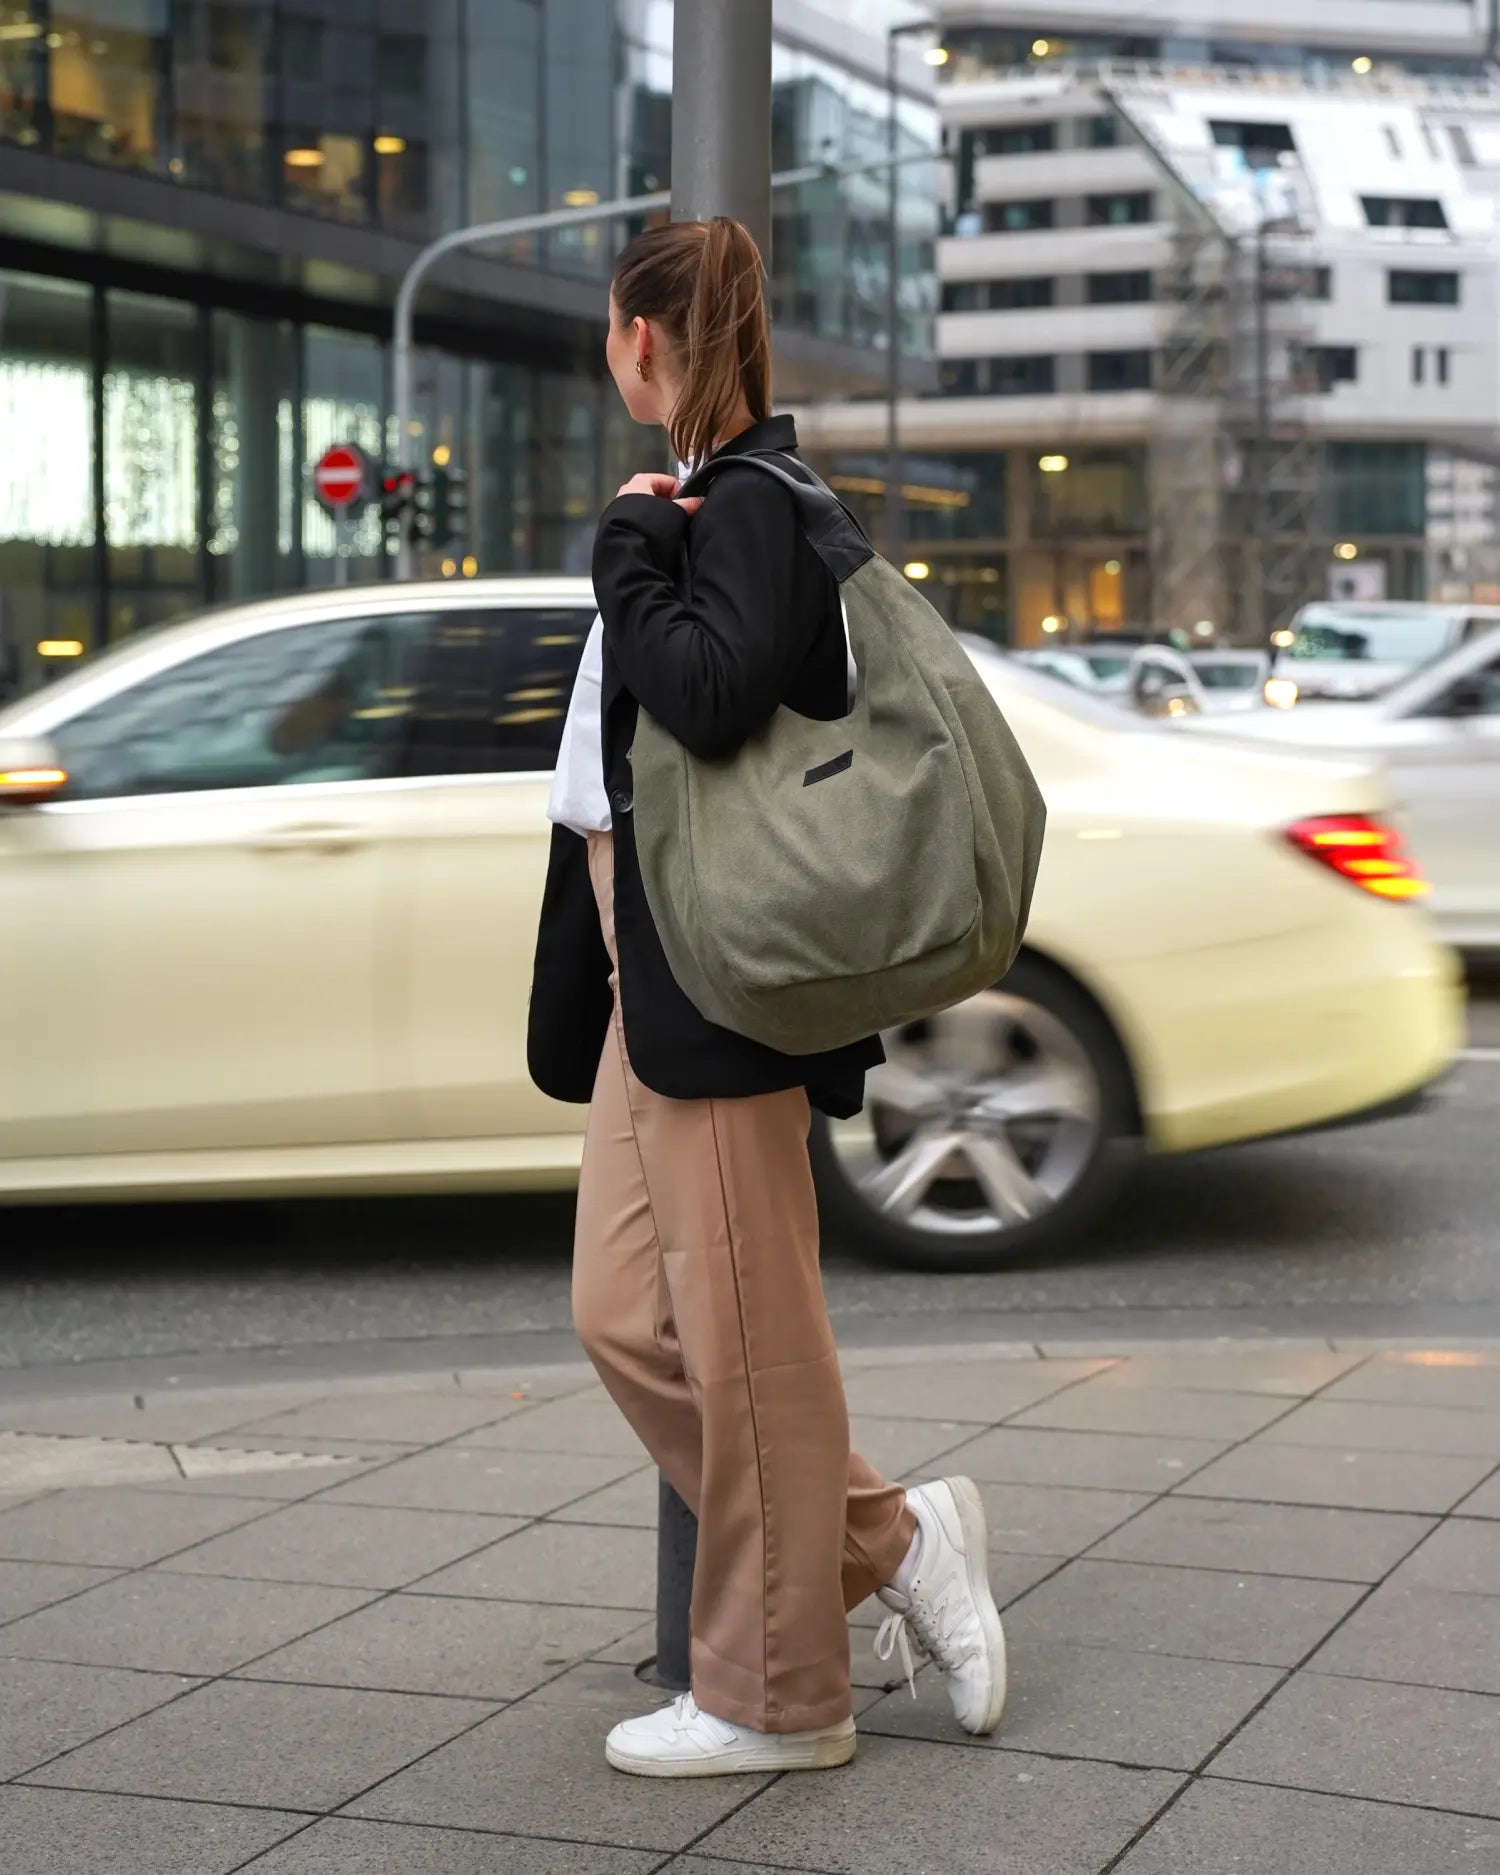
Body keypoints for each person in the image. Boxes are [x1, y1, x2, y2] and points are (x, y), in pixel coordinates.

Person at [527, 215, 1007, 1778]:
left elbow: (716, 693)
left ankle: (778, 1696)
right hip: (648, 972)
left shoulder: (743, 502)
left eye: (612, 331)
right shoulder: (701, 499)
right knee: (623, 1315)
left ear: (641, 339)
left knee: (749, 1345)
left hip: (721, 973)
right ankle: (893, 1537)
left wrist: (625, 548)